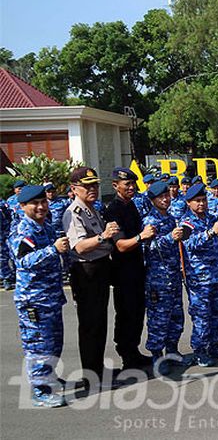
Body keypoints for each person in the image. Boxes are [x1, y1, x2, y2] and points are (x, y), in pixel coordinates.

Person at [63, 167, 123, 387]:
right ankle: (91, 375)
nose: (93, 189)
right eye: (87, 186)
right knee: (90, 325)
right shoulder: (73, 213)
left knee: (99, 323)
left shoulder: (91, 209)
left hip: (100, 268)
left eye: (95, 185)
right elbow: (79, 246)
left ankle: (97, 368)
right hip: (86, 271)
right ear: (74, 189)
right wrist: (103, 236)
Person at [12, 185, 70, 407]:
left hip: (50, 296)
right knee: (38, 345)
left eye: (43, 202)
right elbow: (23, 261)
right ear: (22, 206)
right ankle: (40, 390)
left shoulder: (45, 226)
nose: (41, 207)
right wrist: (53, 249)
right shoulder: (23, 231)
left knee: (53, 342)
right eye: (35, 204)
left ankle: (49, 377)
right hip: (34, 299)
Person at [100, 168, 155, 370]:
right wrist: (142, 237)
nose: (132, 188)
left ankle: (134, 350)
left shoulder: (130, 205)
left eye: (133, 184)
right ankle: (126, 355)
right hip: (123, 271)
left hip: (137, 267)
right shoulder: (113, 210)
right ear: (116, 186)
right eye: (127, 184)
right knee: (126, 313)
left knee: (137, 312)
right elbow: (121, 245)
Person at [179, 183, 218, 366]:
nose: (201, 204)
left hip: (215, 274)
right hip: (199, 278)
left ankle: (215, 345)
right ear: (189, 203)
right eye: (197, 201)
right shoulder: (186, 222)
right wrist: (210, 233)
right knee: (201, 315)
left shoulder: (211, 218)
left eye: (203, 200)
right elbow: (189, 244)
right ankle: (200, 350)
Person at [141, 181, 188, 375]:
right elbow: (148, 247)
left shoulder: (170, 218)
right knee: (159, 319)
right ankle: (157, 356)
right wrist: (170, 238)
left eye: (167, 195)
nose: (166, 199)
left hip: (173, 274)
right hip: (158, 278)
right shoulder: (149, 221)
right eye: (161, 197)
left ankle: (172, 351)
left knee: (176, 317)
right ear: (153, 200)